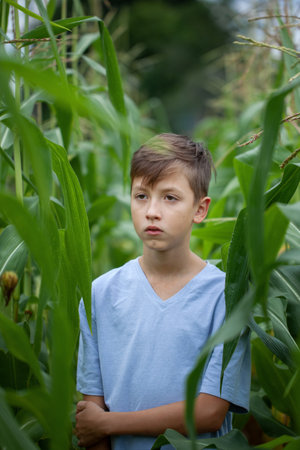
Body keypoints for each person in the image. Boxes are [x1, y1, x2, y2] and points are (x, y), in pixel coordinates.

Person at [75, 133, 251, 450]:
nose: (152, 211)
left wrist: (109, 423)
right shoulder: (99, 294)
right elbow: (91, 418)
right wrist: (100, 424)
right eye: (141, 196)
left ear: (200, 209)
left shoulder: (226, 298)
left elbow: (209, 413)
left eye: (169, 198)